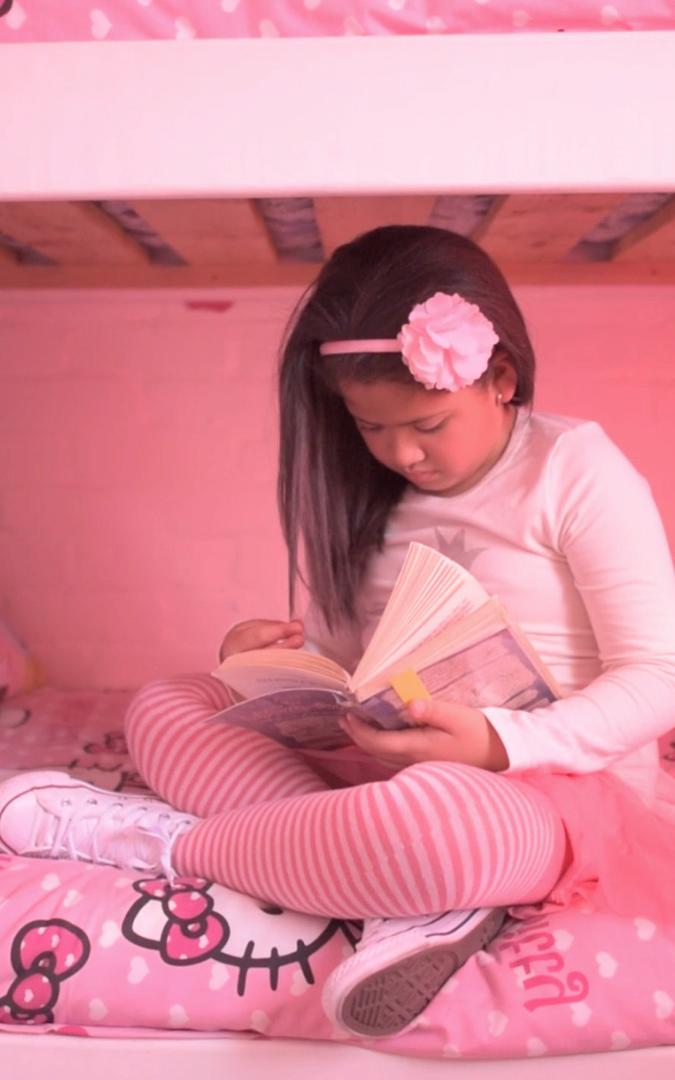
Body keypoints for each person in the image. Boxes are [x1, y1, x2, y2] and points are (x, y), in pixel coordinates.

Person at [2, 225, 675, 1041]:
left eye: (427, 425)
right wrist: (276, 661)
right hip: (386, 769)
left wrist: (494, 746)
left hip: (549, 788)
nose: (400, 453)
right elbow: (351, 666)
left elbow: (656, 676)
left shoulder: (573, 469)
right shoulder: (367, 494)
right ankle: (393, 885)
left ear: (499, 378)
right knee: (166, 704)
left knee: (436, 822)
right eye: (369, 426)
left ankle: (175, 844)